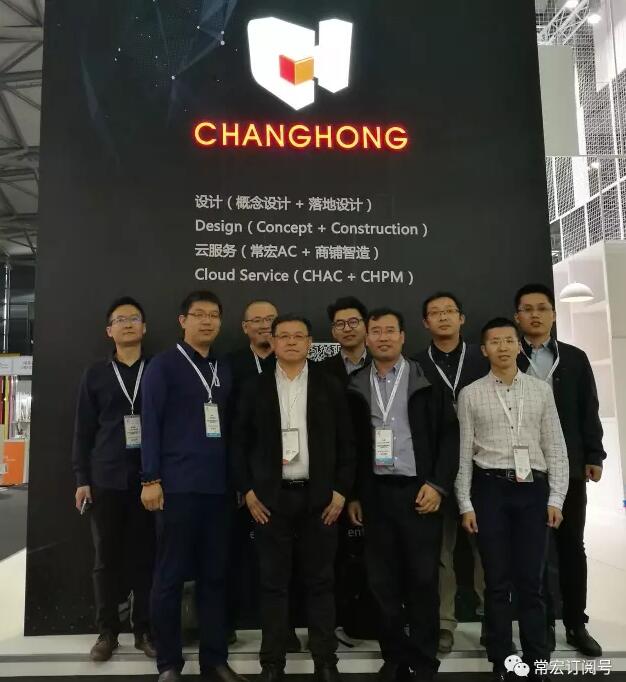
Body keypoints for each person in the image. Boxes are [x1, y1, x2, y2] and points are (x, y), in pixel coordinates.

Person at [233, 314, 355, 682]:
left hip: (320, 499)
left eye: (298, 336)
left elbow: (348, 443)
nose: (290, 342)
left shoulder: (330, 384)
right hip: (270, 500)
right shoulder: (254, 386)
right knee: (273, 585)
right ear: (272, 341)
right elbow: (238, 444)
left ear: (310, 343)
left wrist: (340, 492)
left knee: (321, 583)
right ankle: (272, 664)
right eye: (283, 336)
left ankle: (325, 662)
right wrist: (248, 491)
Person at [347, 308, 459, 682]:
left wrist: (438, 485)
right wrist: (355, 494)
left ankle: (424, 660)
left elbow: (450, 438)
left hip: (420, 493)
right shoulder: (355, 384)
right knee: (383, 583)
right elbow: (351, 445)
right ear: (367, 337)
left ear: (403, 336)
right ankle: (394, 656)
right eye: (375, 331)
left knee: (423, 581)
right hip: (376, 495)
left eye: (389, 331)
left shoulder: (426, 380)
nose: (383, 337)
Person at [455, 317, 569, 682]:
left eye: (508, 340)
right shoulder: (470, 393)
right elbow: (463, 454)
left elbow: (555, 445)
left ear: (518, 346)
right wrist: (465, 503)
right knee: (496, 581)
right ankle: (503, 659)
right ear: (484, 349)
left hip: (533, 491)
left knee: (531, 582)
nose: (502, 347)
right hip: (490, 490)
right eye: (495, 341)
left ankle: (538, 661)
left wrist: (557, 497)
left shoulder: (540, 390)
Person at [140, 290, 246, 682]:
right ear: (183, 321)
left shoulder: (223, 367)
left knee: (214, 577)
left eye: (214, 315)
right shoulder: (163, 365)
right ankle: (169, 664)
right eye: (199, 314)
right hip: (176, 488)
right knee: (169, 578)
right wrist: (150, 478)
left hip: (218, 490)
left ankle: (214, 660)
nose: (207, 321)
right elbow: (150, 424)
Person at [514, 283, 605, 657]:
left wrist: (594, 454)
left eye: (542, 308)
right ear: (517, 316)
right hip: (524, 468)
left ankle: (575, 623)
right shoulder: (509, 356)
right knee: (532, 549)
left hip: (568, 466)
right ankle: (543, 625)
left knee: (571, 546)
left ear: (553, 314)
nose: (535, 315)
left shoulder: (574, 358)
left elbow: (589, 408)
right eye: (527, 309)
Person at [72, 296, 156, 662]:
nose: (128, 324)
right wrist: (81, 478)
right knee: (105, 560)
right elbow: (83, 431)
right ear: (109, 331)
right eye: (120, 320)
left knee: (146, 558)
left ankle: (144, 630)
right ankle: (107, 631)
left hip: (150, 480)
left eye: (134, 318)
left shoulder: (158, 369)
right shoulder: (95, 374)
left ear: (144, 327)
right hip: (105, 479)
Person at [413, 292, 488, 654]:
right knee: (440, 551)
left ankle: (493, 618)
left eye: (449, 311)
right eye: (435, 313)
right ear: (425, 322)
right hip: (437, 470)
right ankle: (444, 622)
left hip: (482, 465)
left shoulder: (483, 358)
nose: (443, 317)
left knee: (485, 548)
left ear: (462, 318)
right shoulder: (415, 365)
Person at [319, 296, 369, 383]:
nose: (347, 329)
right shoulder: (320, 370)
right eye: (340, 324)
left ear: (366, 327)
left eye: (353, 322)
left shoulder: (382, 364)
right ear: (333, 332)